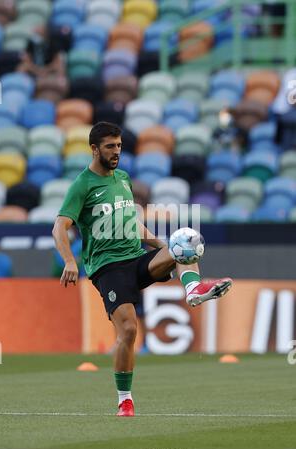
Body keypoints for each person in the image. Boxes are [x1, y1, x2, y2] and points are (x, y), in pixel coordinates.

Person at [52, 122, 232, 417]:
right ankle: (125, 399)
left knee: (183, 241)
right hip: (108, 268)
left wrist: (162, 246)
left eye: (119, 146)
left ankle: (193, 290)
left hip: (135, 257)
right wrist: (70, 261)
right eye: (110, 146)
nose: (117, 152)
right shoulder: (82, 185)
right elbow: (60, 226)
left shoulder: (123, 178)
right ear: (94, 149)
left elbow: (131, 223)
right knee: (129, 330)